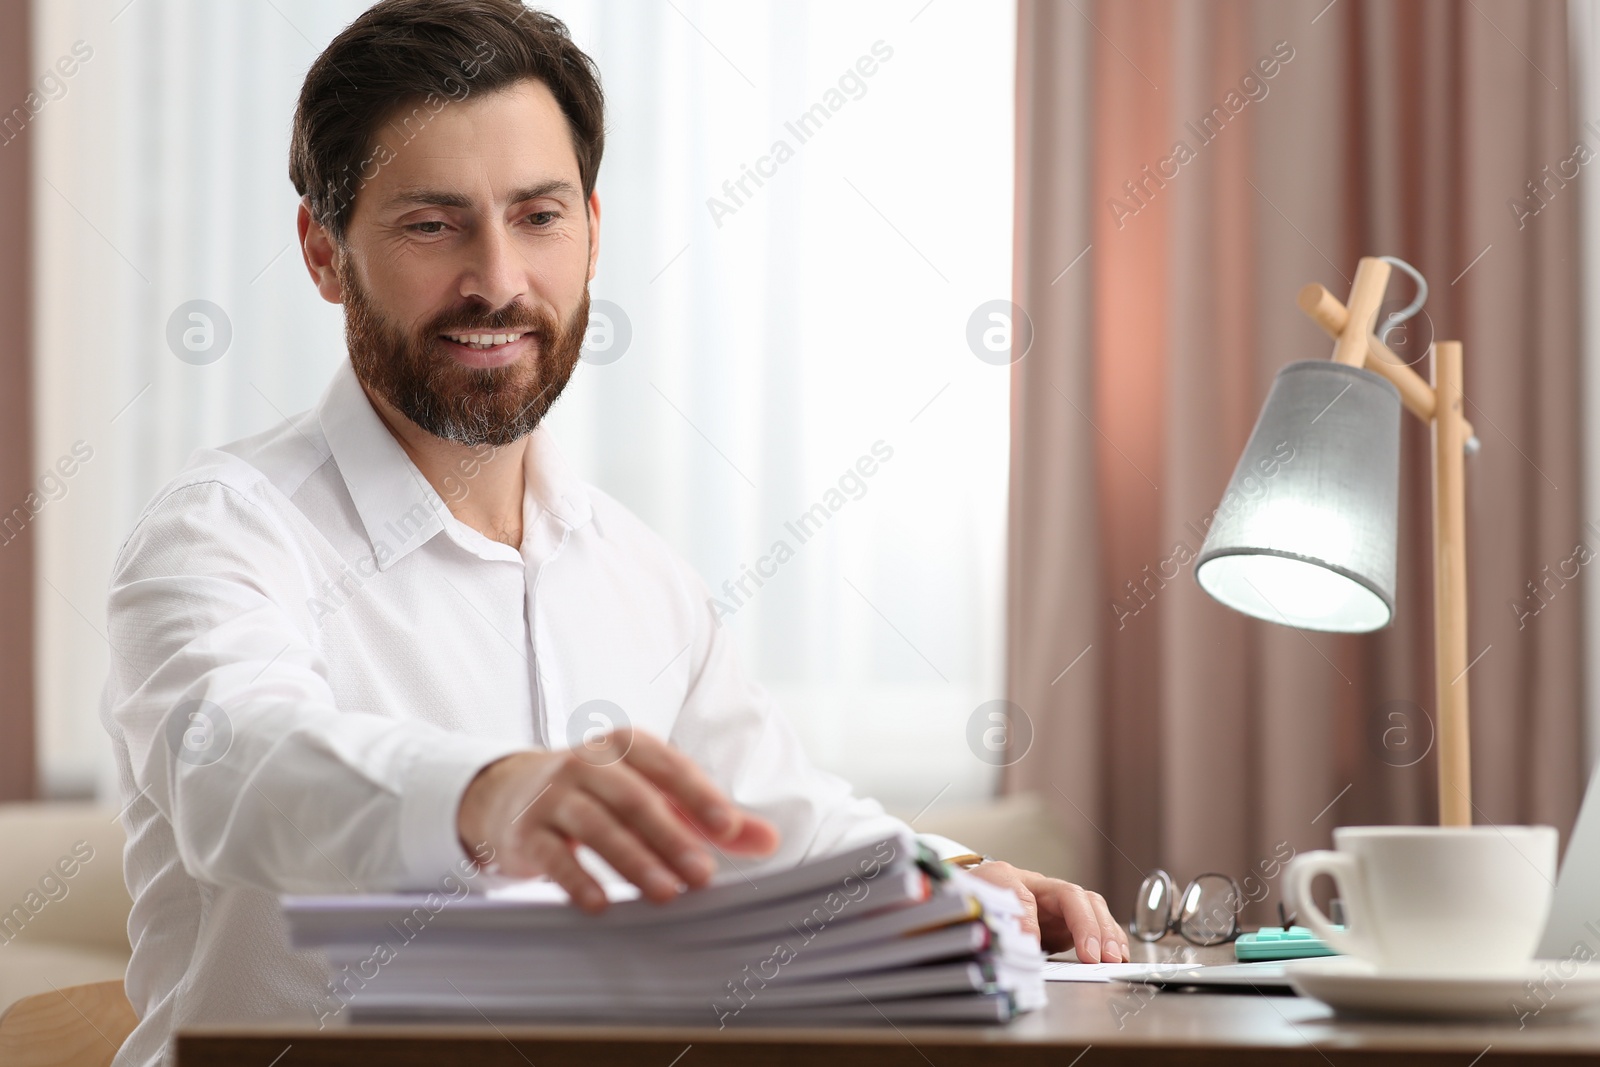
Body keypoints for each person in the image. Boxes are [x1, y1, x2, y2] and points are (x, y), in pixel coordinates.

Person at [102, 2, 1126, 1062]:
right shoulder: (221, 533)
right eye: (431, 223)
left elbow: (765, 819)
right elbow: (236, 768)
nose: (498, 280)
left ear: (592, 231)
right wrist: (488, 790)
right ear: (323, 253)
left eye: (537, 216)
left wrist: (952, 879)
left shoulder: (638, 572)